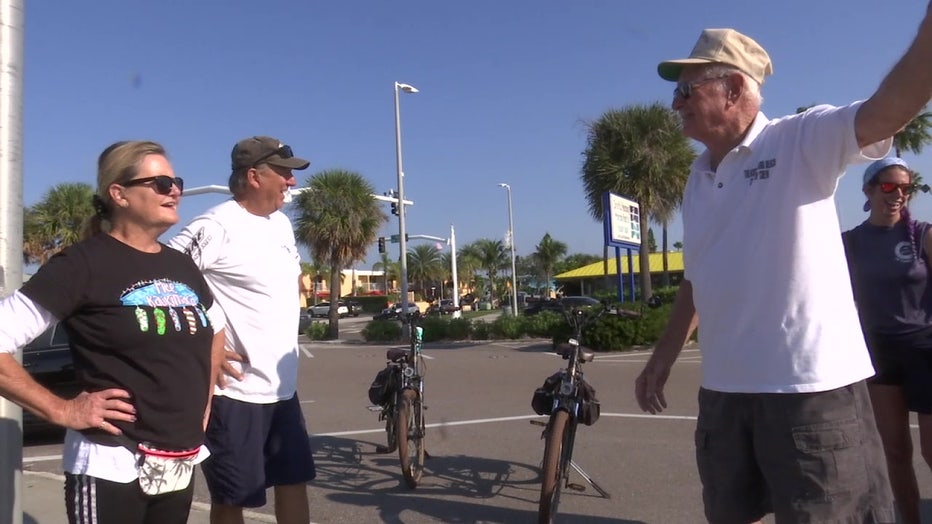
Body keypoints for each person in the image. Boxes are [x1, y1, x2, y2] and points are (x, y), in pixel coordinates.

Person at [633, 12, 932, 521]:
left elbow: (889, 110)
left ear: (731, 88)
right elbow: (697, 276)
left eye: (686, 89)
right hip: (725, 395)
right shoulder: (697, 177)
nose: (674, 102)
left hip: (810, 392)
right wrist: (662, 355)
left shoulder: (800, 139)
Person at [0, 140, 223, 523]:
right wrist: (61, 409)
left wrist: (203, 404)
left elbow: (216, 329)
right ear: (119, 193)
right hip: (111, 463)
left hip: (177, 463)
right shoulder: (82, 264)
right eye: (161, 183)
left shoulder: (181, 266)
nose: (175, 191)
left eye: (177, 181)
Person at [169, 136, 315, 524]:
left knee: (294, 481)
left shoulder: (281, 224)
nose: (291, 182)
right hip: (235, 394)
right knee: (234, 497)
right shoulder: (216, 225)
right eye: (284, 173)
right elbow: (164, 282)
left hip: (283, 390)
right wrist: (205, 348)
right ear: (254, 176)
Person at [843, 157, 932, 524]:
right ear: (868, 190)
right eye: (888, 187)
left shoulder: (923, 234)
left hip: (925, 349)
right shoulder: (849, 242)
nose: (897, 195)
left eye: (904, 188)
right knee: (894, 451)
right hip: (878, 352)